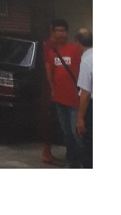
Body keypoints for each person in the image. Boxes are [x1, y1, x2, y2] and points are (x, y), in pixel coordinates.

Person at [45, 18, 83, 168]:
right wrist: (53, 89)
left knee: (76, 133)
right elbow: (50, 73)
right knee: (66, 133)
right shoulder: (52, 52)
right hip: (59, 99)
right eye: (58, 31)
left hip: (75, 100)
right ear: (53, 33)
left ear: (68, 33)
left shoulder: (75, 50)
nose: (61, 34)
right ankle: (71, 160)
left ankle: (82, 161)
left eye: (63, 31)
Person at [40, 21, 62, 165]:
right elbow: (49, 68)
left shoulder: (56, 45)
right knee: (49, 119)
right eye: (58, 31)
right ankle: (46, 153)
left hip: (56, 87)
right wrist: (53, 88)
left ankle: (47, 152)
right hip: (50, 88)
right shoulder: (49, 46)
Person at [75, 28, 93, 169]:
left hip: (92, 108)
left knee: (89, 147)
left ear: (78, 43)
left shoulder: (86, 61)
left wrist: (80, 118)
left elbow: (85, 93)